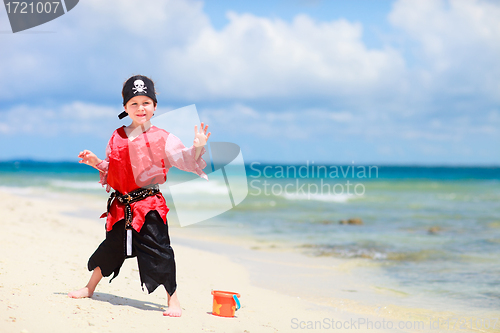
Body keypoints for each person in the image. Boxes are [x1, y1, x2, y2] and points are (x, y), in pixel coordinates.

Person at [68, 75, 210, 317]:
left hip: (149, 206)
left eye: (146, 102)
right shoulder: (117, 136)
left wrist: (197, 147)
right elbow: (114, 170)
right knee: (111, 247)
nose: (140, 108)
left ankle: (173, 301)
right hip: (121, 206)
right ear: (125, 108)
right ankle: (90, 287)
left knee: (161, 251)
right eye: (134, 103)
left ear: (155, 107)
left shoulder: (164, 137)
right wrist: (95, 162)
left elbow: (185, 160)